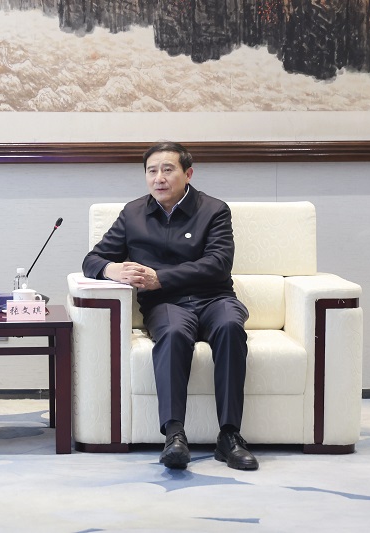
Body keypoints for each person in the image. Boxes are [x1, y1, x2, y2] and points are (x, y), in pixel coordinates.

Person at [82, 141, 258, 471]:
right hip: (166, 304)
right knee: (174, 333)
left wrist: (160, 277)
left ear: (188, 174)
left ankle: (230, 436)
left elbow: (219, 263)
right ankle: (175, 435)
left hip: (215, 297)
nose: (159, 178)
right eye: (152, 171)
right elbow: (92, 260)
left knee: (231, 327)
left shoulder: (214, 210)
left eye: (168, 170)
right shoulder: (133, 213)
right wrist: (112, 269)